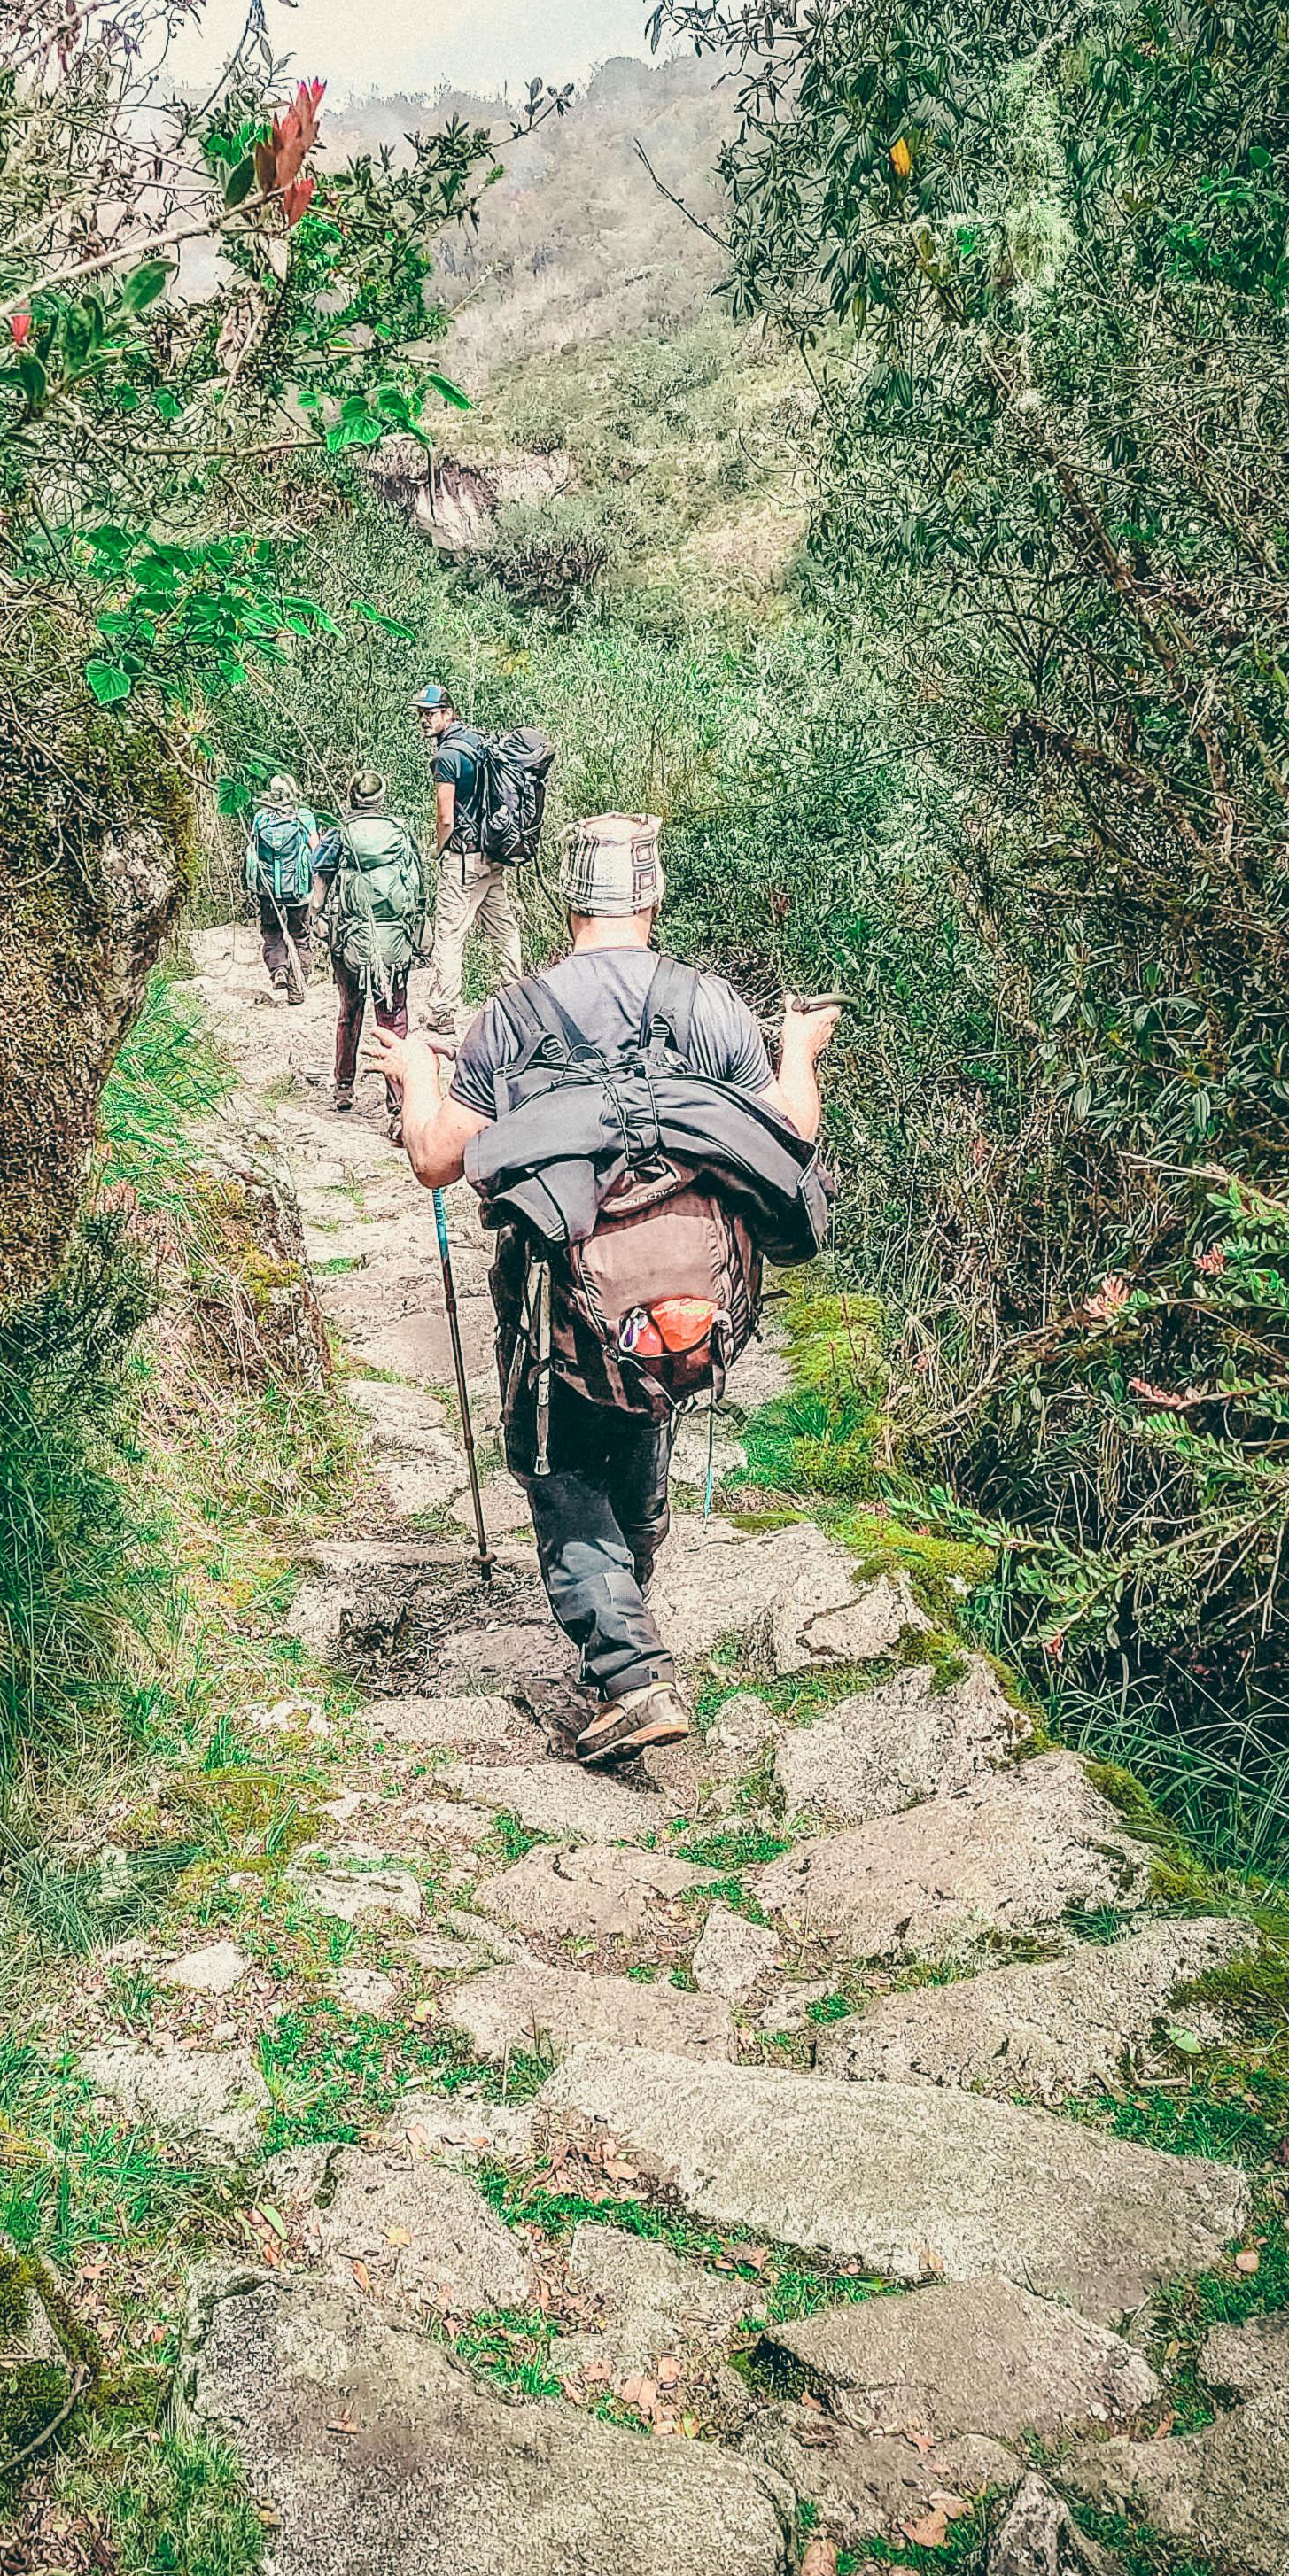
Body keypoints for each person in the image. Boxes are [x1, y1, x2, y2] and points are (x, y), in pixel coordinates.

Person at [375, 813, 840, 1765]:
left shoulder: (515, 1015)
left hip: (560, 1289)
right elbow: (791, 1131)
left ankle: (630, 1677)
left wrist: (418, 1072)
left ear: (569, 902)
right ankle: (632, 1598)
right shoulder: (712, 1007)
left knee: (558, 1459)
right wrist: (799, 1046)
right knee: (643, 1403)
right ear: (653, 897)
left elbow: (434, 1157)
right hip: (694, 1296)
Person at [310, 769, 425, 1136]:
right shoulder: (400, 833)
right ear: (381, 798)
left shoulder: (339, 833)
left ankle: (344, 1087)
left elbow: (320, 883)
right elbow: (418, 887)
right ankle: (398, 1107)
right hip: (395, 940)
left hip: (351, 939)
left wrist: (316, 919)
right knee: (393, 1018)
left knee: (350, 1011)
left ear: (351, 797)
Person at [414, 681, 524, 1035]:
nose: (424, 720)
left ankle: (443, 1012)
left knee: (449, 934)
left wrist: (438, 847)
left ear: (448, 713)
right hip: (493, 854)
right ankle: (516, 994)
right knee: (504, 928)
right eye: (421, 714)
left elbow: (445, 816)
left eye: (430, 713)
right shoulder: (478, 741)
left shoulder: (445, 757)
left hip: (463, 859)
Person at [243, 773, 321, 1004]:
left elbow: (254, 848)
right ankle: (297, 988)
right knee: (300, 936)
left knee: (272, 932)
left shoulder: (261, 817)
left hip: (268, 889)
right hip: (298, 889)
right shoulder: (303, 816)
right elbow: (316, 849)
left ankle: (278, 970)